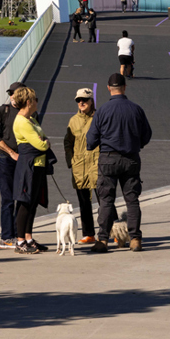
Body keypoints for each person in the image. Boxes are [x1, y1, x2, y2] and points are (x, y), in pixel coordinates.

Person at [86, 73, 152, 253]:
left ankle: (103, 240)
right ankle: (135, 238)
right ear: (124, 87)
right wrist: (137, 144)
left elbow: (91, 141)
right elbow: (146, 134)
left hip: (108, 158)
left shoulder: (102, 111)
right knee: (132, 200)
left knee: (106, 201)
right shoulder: (136, 109)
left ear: (108, 88)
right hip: (130, 158)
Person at [63, 88, 113, 244]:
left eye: (84, 99)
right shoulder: (73, 121)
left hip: (97, 166)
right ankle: (89, 234)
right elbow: (68, 143)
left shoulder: (100, 118)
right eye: (78, 100)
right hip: (80, 168)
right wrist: (70, 161)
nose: (81, 102)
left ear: (92, 101)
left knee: (105, 201)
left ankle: (113, 231)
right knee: (84, 203)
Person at [0, 81, 32, 249]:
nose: (12, 96)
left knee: (21, 199)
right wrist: (11, 153)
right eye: (10, 93)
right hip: (5, 160)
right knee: (7, 199)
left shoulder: (29, 114)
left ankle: (19, 235)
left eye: (15, 93)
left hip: (22, 161)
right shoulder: (3, 111)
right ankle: (7, 237)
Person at [12, 87, 53, 254]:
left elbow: (41, 140)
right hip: (29, 167)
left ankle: (28, 238)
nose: (37, 102)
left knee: (33, 202)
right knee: (25, 203)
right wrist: (44, 142)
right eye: (35, 100)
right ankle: (20, 241)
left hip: (38, 166)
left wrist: (43, 141)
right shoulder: (22, 122)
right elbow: (42, 143)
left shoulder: (32, 120)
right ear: (29, 102)